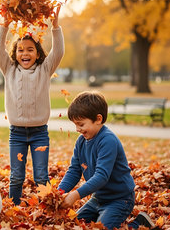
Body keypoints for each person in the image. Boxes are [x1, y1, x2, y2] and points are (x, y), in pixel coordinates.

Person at [0, 6, 64, 205]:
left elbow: (58, 51)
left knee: (41, 176)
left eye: (30, 49)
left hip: (40, 132)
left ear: (38, 53)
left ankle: (47, 207)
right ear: (15, 53)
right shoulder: (9, 70)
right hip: (17, 133)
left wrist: (55, 27)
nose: (25, 53)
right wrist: (5, 24)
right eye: (20, 49)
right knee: (16, 176)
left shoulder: (45, 69)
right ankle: (13, 207)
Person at [58, 91, 157, 229]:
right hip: (97, 199)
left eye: (81, 124)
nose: (77, 129)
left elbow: (101, 176)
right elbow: (74, 170)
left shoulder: (107, 140)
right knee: (73, 224)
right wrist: (59, 193)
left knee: (102, 228)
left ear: (98, 119)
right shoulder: (81, 142)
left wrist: (75, 195)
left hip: (119, 199)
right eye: (75, 124)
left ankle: (139, 223)